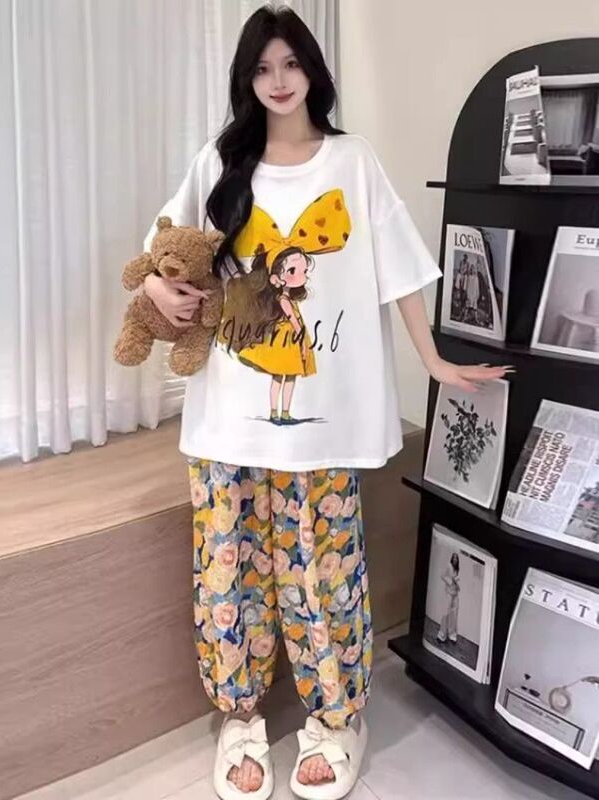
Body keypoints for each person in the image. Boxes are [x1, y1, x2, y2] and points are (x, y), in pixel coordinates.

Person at [141, 6, 510, 799]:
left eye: (290, 64)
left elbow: (400, 267)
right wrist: (152, 289)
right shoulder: (221, 160)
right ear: (246, 80)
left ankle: (336, 718)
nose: (277, 81)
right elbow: (167, 246)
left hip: (323, 421)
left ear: (313, 70)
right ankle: (240, 717)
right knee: (227, 569)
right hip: (226, 414)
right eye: (261, 69)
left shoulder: (352, 160)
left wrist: (434, 361)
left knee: (322, 568)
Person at [436, 552, 460, 644]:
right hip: (448, 593)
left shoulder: (457, 569)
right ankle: (441, 635)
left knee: (454, 615)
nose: (455, 559)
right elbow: (442, 575)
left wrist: (457, 584)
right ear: (452, 558)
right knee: (445, 614)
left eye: (456, 558)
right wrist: (451, 581)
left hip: (455, 594)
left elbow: (457, 580)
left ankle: (452, 635)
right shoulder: (448, 565)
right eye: (454, 558)